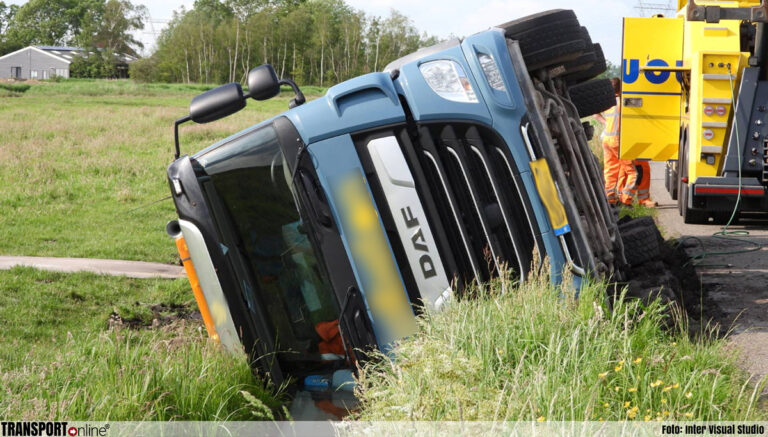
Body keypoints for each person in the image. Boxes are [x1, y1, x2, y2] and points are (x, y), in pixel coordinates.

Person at [596, 78, 637, 206]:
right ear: (621, 88)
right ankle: (625, 199)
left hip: (606, 141)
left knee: (609, 170)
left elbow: (595, 114)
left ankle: (610, 199)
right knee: (632, 172)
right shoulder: (623, 103)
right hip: (618, 142)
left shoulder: (606, 102)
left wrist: (605, 122)